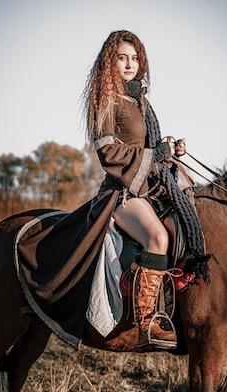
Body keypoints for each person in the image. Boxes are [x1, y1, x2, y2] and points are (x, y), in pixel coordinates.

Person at [82, 30, 194, 349]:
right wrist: (155, 153)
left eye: (134, 58)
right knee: (157, 238)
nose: (130, 64)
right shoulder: (106, 100)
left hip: (146, 187)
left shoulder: (138, 100)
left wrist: (169, 149)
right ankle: (147, 323)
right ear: (110, 62)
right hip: (121, 192)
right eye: (122, 58)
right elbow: (108, 154)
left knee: (183, 226)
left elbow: (144, 147)